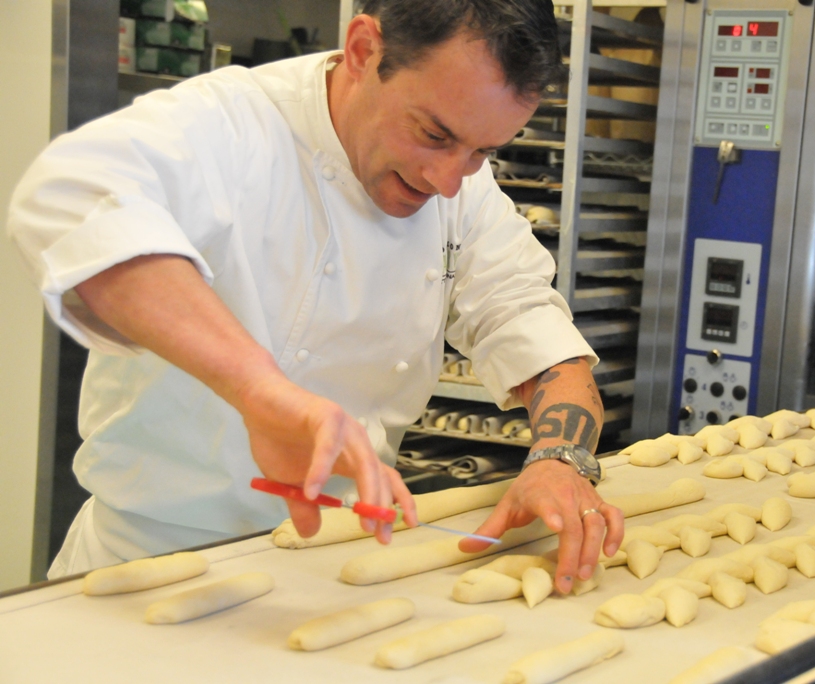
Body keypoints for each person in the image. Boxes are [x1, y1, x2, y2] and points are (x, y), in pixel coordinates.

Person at [7, 0, 624, 593]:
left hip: (337, 561)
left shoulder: (466, 187)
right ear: (363, 50)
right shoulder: (232, 123)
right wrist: (261, 393)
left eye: (482, 151)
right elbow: (72, 196)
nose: (447, 182)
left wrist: (561, 458)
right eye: (433, 134)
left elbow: (525, 314)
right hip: (150, 559)